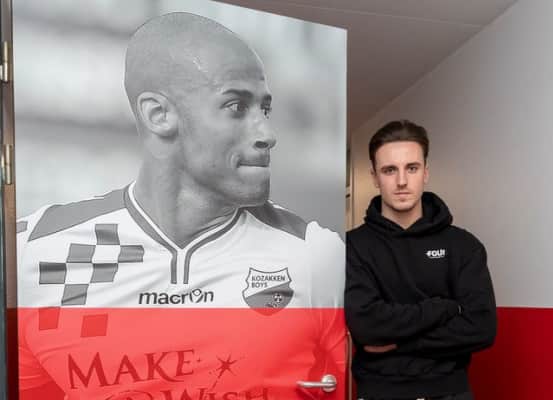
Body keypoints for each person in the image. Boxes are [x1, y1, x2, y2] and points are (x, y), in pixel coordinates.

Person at [17, 13, 345, 400]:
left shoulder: (314, 257)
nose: (267, 134)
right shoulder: (34, 251)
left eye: (265, 110)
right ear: (159, 115)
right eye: (237, 106)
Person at [345, 120, 496, 400]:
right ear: (375, 177)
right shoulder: (353, 246)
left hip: (450, 393)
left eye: (411, 168)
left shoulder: (464, 246)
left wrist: (398, 344)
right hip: (379, 393)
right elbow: (367, 326)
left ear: (425, 172)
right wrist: (443, 308)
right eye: (390, 170)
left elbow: (481, 328)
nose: (402, 181)